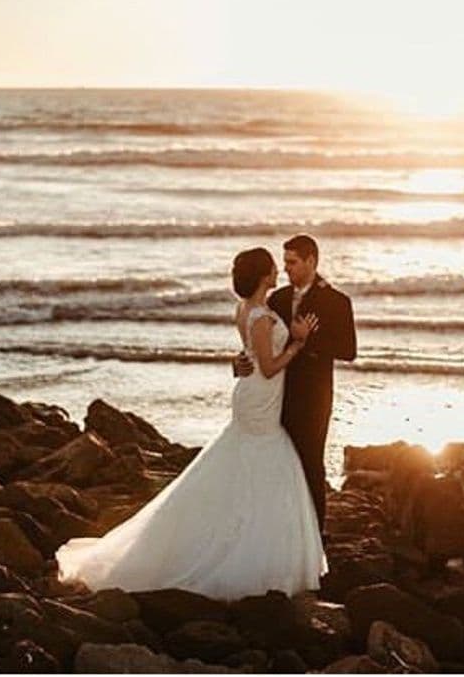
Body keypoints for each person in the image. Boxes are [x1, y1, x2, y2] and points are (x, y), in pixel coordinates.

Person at [55, 247, 325, 600]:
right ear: (264, 276)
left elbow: (249, 356)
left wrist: (244, 361)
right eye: (275, 269)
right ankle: (251, 544)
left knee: (249, 459)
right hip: (260, 397)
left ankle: (239, 529)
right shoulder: (260, 316)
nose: (279, 272)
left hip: (255, 394)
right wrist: (299, 343)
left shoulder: (245, 310)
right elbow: (270, 366)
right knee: (266, 458)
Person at [234, 234, 357, 539]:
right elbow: (257, 343)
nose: (286, 268)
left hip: (312, 398)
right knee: (278, 464)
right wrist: (238, 362)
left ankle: (314, 535)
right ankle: (281, 530)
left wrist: (308, 339)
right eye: (284, 262)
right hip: (273, 396)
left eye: (292, 262)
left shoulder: (336, 301)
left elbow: (348, 350)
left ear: (311, 261)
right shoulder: (276, 298)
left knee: (311, 464)